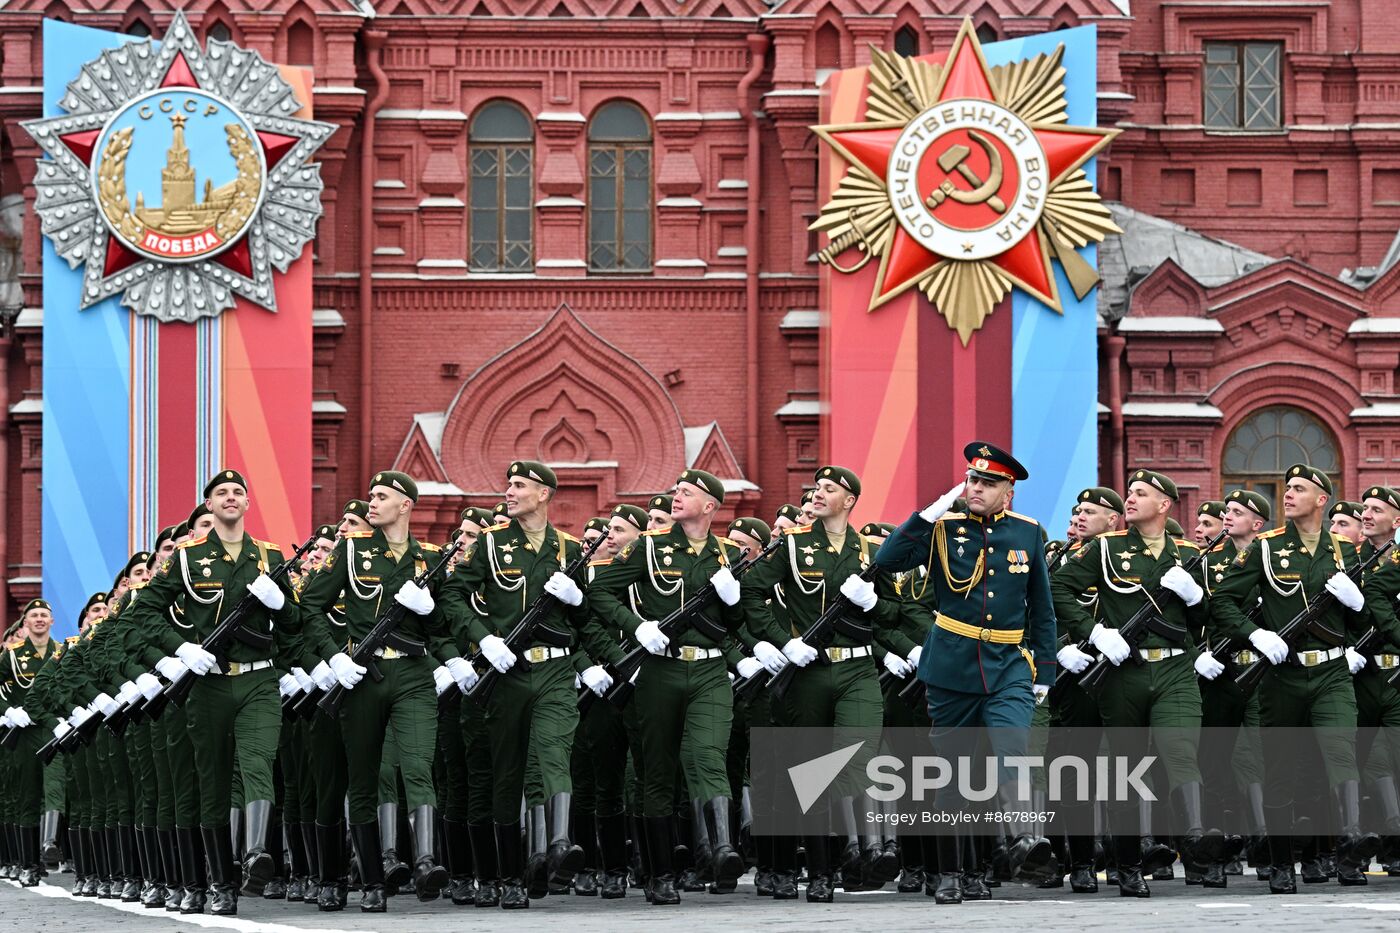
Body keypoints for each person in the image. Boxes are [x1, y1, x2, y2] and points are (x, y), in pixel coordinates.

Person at [875, 444, 1057, 903]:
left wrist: (1044, 671)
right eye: (972, 481)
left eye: (988, 483)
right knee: (956, 777)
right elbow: (887, 561)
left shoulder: (1029, 533)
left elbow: (1043, 608)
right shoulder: (943, 528)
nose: (976, 489)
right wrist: (927, 514)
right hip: (952, 665)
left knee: (1010, 744)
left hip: (1010, 665)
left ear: (1008, 492)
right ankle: (954, 873)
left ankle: (1022, 840)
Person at [1211, 464, 1383, 893]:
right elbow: (1224, 603)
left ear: (1321, 500)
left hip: (1331, 672)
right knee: (1282, 769)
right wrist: (1257, 635)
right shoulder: (1266, 549)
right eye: (1286, 487)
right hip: (1281, 675)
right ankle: (1283, 861)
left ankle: (1350, 836)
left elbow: (1375, 618)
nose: (1288, 494)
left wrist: (1359, 604)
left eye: (1299, 488)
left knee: (1339, 748)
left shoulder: (1347, 552)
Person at [438, 461, 602, 909]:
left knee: (554, 750)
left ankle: (561, 843)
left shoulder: (569, 549)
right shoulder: (491, 544)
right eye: (508, 484)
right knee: (506, 774)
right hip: (505, 673)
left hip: (554, 670)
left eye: (519, 486)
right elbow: (451, 595)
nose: (509, 492)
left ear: (544, 493)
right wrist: (483, 638)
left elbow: (586, 619)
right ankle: (506, 876)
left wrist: (579, 597)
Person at [299, 472, 465, 912]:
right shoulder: (352, 551)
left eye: (381, 497)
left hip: (413, 674)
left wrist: (430, 611)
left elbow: (445, 622)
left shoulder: (429, 559)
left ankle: (427, 862)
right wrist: (335, 657)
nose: (371, 503)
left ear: (406, 505)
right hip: (363, 675)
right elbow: (311, 606)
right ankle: (373, 880)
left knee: (417, 764)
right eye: (371, 496)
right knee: (364, 778)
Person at [1052, 469, 1219, 898]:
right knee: (1126, 770)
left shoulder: (1186, 554)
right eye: (1129, 492)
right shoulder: (1107, 549)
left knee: (1180, 746)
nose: (1131, 498)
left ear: (1164, 505)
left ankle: (1198, 837)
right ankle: (1127, 866)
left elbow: (1205, 620)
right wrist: (1093, 633)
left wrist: (1197, 596)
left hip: (1176, 669)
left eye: (1141, 493)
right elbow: (1058, 588)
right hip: (1123, 672)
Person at [742, 466, 898, 903]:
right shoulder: (793, 546)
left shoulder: (870, 552)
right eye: (816, 488)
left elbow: (895, 613)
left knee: (857, 753)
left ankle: (855, 849)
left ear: (849, 501)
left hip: (858, 670)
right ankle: (821, 871)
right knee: (807, 772)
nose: (818, 494)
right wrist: (782, 641)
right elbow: (751, 591)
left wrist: (875, 603)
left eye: (829, 489)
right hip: (809, 671)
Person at [591, 470, 747, 906]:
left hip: (711, 671)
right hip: (659, 670)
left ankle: (721, 848)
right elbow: (601, 592)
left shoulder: (729, 555)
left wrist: (734, 601)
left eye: (687, 493)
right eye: (677, 492)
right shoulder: (650, 546)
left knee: (707, 753)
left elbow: (738, 624)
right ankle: (660, 875)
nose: (677, 498)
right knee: (657, 771)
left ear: (710, 506)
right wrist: (636, 627)